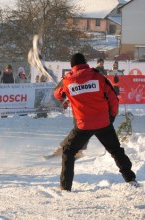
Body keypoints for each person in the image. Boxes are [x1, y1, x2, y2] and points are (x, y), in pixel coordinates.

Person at [54, 53, 137, 191]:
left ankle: (65, 186)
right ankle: (130, 179)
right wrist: (111, 116)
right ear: (85, 63)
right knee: (116, 150)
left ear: (72, 66)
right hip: (103, 122)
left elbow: (57, 95)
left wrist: (63, 85)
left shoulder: (67, 81)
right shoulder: (98, 76)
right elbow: (113, 99)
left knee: (68, 151)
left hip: (83, 125)